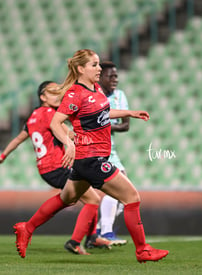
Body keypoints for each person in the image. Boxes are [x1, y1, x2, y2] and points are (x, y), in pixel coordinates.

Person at [13, 49, 169, 263]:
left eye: (98, 65)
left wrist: (129, 113)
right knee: (132, 198)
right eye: (94, 65)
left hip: (87, 160)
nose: (99, 69)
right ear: (80, 69)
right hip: (91, 159)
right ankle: (142, 249)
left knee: (65, 198)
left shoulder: (95, 88)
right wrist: (68, 143)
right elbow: (55, 123)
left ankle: (27, 227)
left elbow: (103, 112)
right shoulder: (74, 94)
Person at [0, 81, 111, 256]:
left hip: (46, 170)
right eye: (53, 92)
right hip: (59, 165)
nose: (58, 95)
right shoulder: (50, 114)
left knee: (86, 197)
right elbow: (67, 133)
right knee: (92, 199)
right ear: (42, 97)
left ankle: (91, 238)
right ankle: (75, 242)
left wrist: (2, 156)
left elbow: (18, 139)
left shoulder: (32, 117)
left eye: (59, 91)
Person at [95, 61, 129, 246]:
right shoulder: (94, 96)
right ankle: (105, 231)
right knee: (118, 189)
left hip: (111, 148)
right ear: (100, 77)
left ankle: (100, 230)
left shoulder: (120, 95)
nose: (115, 79)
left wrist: (107, 126)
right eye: (111, 76)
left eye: (116, 76)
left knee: (124, 195)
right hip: (96, 148)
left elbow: (126, 125)